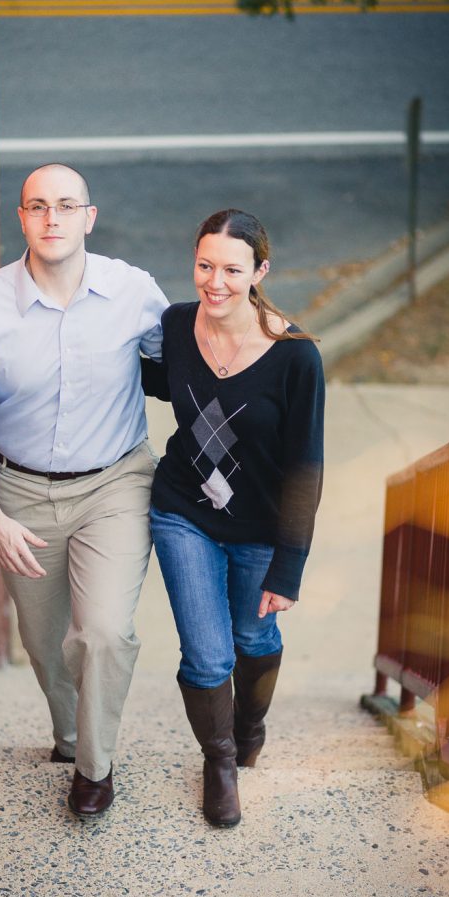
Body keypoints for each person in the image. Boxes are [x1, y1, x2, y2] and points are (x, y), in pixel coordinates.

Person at [0, 163, 168, 817]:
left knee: (100, 632)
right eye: (37, 207)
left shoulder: (132, 291)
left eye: (66, 206)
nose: (52, 219)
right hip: (20, 493)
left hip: (115, 482)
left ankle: (94, 770)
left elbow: (187, 358)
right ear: (21, 220)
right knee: (43, 643)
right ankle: (69, 739)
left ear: (88, 217)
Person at [146, 209, 324, 827]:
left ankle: (250, 723)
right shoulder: (174, 326)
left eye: (231, 269)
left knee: (253, 639)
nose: (214, 282)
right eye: (204, 265)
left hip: (259, 529)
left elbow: (306, 466)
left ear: (259, 272)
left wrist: (289, 567)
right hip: (181, 513)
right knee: (206, 656)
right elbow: (157, 384)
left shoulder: (294, 357)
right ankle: (218, 762)